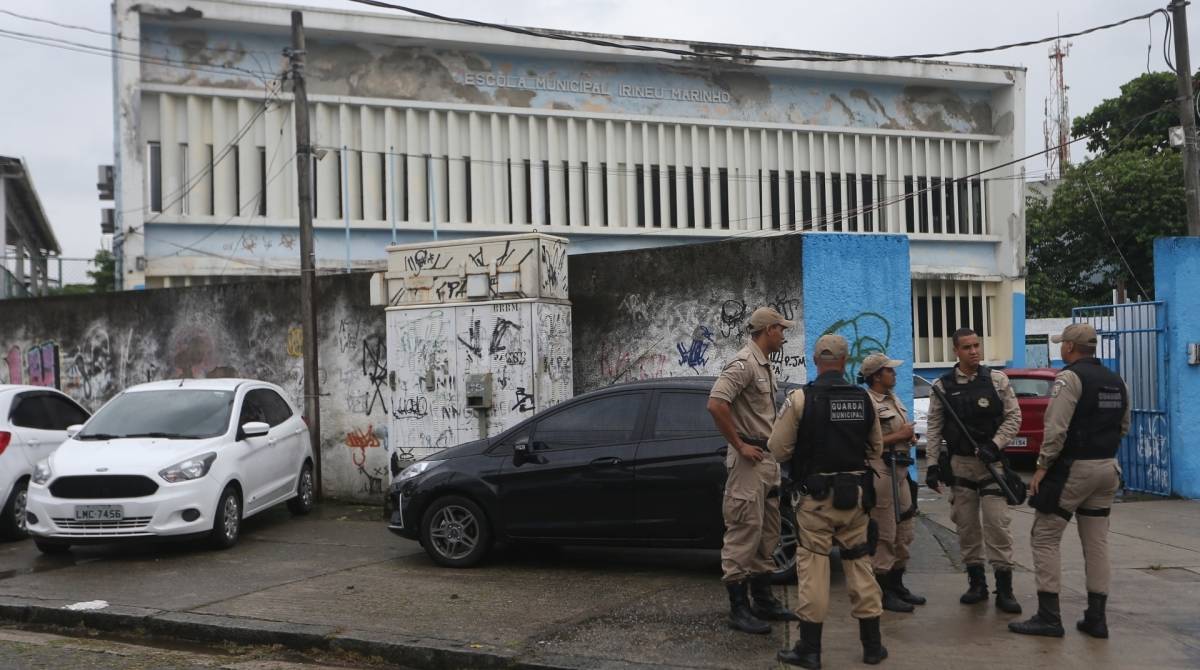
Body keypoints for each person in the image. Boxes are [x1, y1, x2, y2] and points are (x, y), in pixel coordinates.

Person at [770, 334, 887, 667]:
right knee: (860, 565)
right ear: (846, 361)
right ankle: (873, 647)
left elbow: (778, 449)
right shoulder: (864, 399)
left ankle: (810, 650)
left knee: (814, 571)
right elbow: (876, 448)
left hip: (816, 502)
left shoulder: (800, 399)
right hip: (855, 498)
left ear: (814, 360)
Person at [1010, 323, 1130, 638]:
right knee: (1096, 542)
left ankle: (1049, 617)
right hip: (1108, 467)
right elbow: (1124, 425)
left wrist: (1042, 466)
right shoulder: (1117, 381)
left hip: (1075, 468)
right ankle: (1096, 618)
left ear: (1070, 347)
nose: (1061, 348)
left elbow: (1056, 428)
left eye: (1062, 343)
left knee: (1044, 536)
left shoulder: (1070, 378)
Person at [707, 306, 798, 634]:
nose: (783, 335)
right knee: (744, 532)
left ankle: (763, 600)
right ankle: (739, 609)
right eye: (781, 329)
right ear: (768, 330)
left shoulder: (764, 365)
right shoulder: (744, 363)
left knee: (767, 533)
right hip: (749, 462)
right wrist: (740, 444)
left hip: (767, 460)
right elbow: (716, 404)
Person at [924, 328, 1023, 614]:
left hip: (992, 466)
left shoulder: (996, 380)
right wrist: (932, 466)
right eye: (967, 347)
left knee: (997, 525)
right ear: (956, 351)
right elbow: (934, 428)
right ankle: (976, 583)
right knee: (966, 527)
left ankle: (1005, 588)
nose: (974, 351)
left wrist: (995, 444)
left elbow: (1014, 417)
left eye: (976, 345)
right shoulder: (942, 386)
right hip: (961, 466)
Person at [859, 353, 925, 613]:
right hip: (881, 470)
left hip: (900, 470)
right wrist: (899, 435)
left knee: (905, 530)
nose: (894, 374)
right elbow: (866, 444)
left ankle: (897, 585)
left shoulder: (892, 398)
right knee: (884, 533)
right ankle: (883, 590)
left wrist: (907, 437)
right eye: (889, 370)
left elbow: (899, 431)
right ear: (877, 376)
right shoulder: (867, 402)